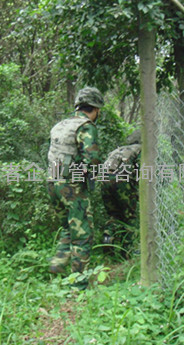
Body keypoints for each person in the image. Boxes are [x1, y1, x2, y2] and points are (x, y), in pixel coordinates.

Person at [47, 86, 104, 289]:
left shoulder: (60, 125)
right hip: (71, 186)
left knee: (68, 227)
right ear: (95, 108)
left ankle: (57, 264)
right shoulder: (86, 126)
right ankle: (78, 285)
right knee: (83, 234)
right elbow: (92, 160)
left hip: (52, 183)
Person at [101, 129, 141, 254]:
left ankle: (107, 237)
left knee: (114, 214)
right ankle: (128, 249)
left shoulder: (118, 150)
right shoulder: (140, 150)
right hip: (121, 180)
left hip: (104, 179)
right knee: (130, 215)